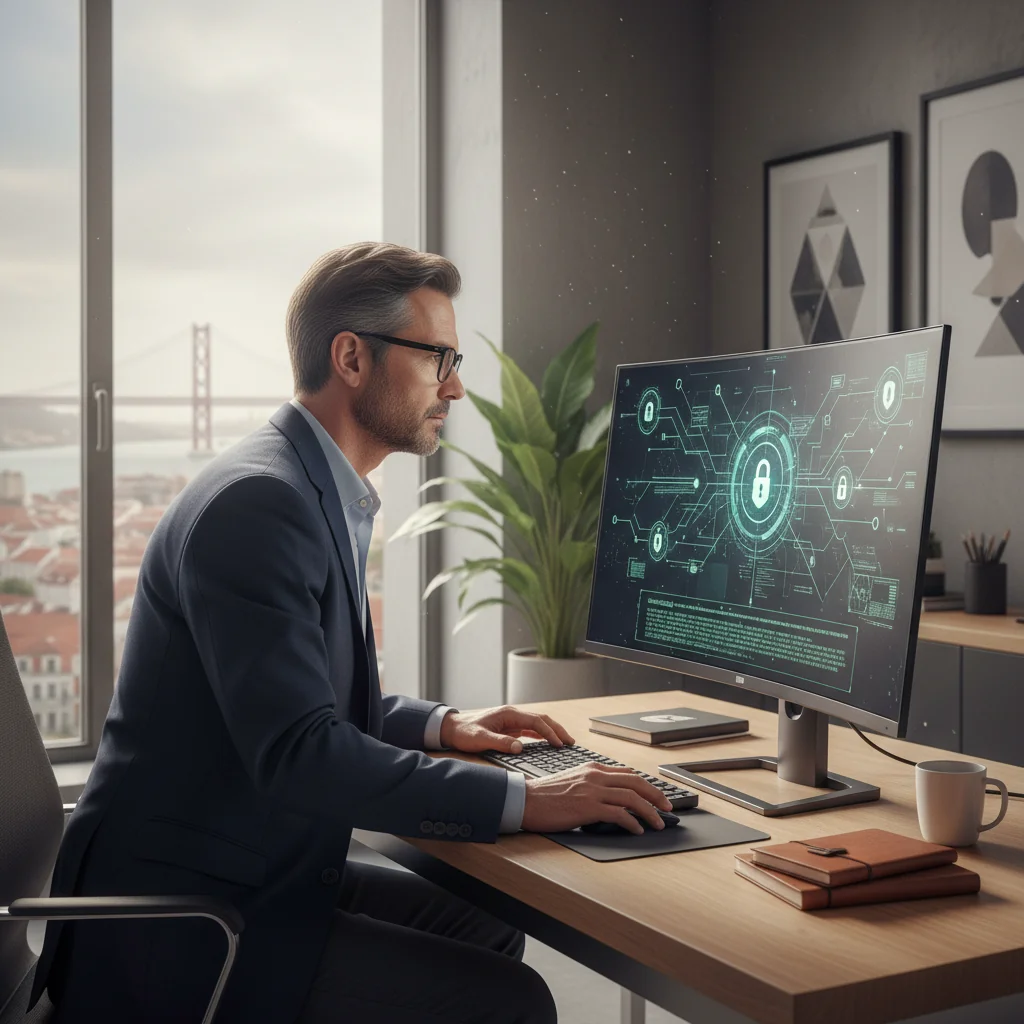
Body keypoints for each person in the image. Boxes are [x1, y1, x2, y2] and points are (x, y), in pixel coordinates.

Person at [30, 242, 673, 1024]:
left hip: (240, 865)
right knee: (513, 1003)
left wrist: (445, 725)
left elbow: (295, 702)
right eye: (437, 358)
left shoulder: (305, 485)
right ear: (352, 358)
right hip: (177, 920)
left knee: (487, 925)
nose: (455, 387)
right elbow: (300, 752)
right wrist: (525, 798)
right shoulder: (260, 505)